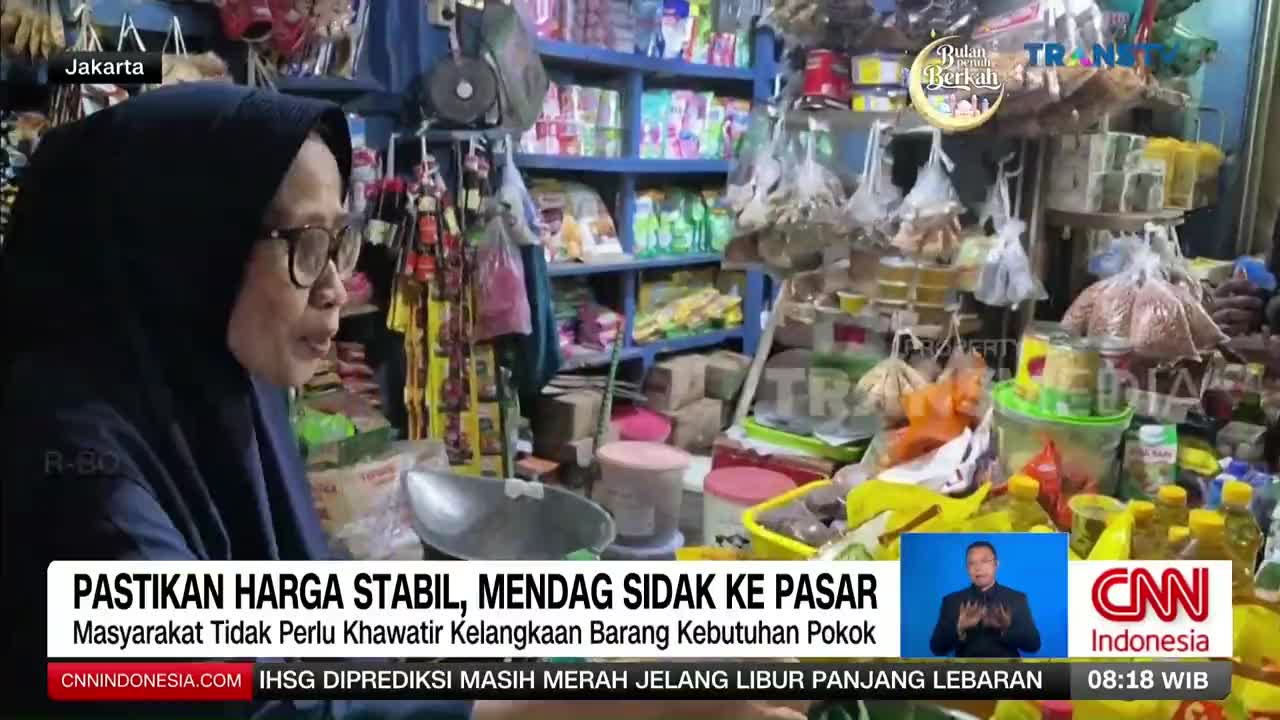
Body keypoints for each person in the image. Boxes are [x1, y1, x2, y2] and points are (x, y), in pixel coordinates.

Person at [0, 84, 807, 720]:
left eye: (338, 241)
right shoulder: (72, 466)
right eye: (302, 245)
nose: (334, 287)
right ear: (182, 247)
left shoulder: (216, 387)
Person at [928, 541, 1040, 658]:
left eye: (984, 561)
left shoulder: (1017, 599)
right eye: (972, 563)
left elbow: (1034, 645)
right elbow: (936, 648)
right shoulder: (951, 601)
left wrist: (1006, 629)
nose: (978, 568)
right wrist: (959, 628)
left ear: (996, 564)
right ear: (967, 568)